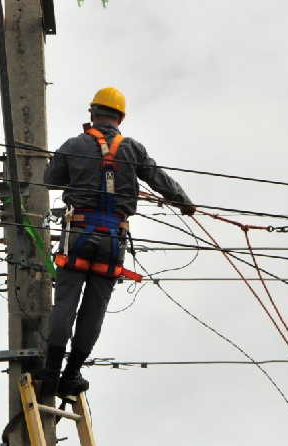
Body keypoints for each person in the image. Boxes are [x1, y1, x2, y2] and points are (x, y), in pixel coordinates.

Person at [38, 87, 195, 398]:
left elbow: (51, 179)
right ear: (120, 117)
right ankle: (71, 375)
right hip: (112, 241)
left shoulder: (74, 145)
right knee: (94, 310)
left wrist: (80, 172)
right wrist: (183, 202)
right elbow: (159, 179)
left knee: (66, 301)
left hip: (78, 235)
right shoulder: (132, 149)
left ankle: (51, 372)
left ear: (93, 113)